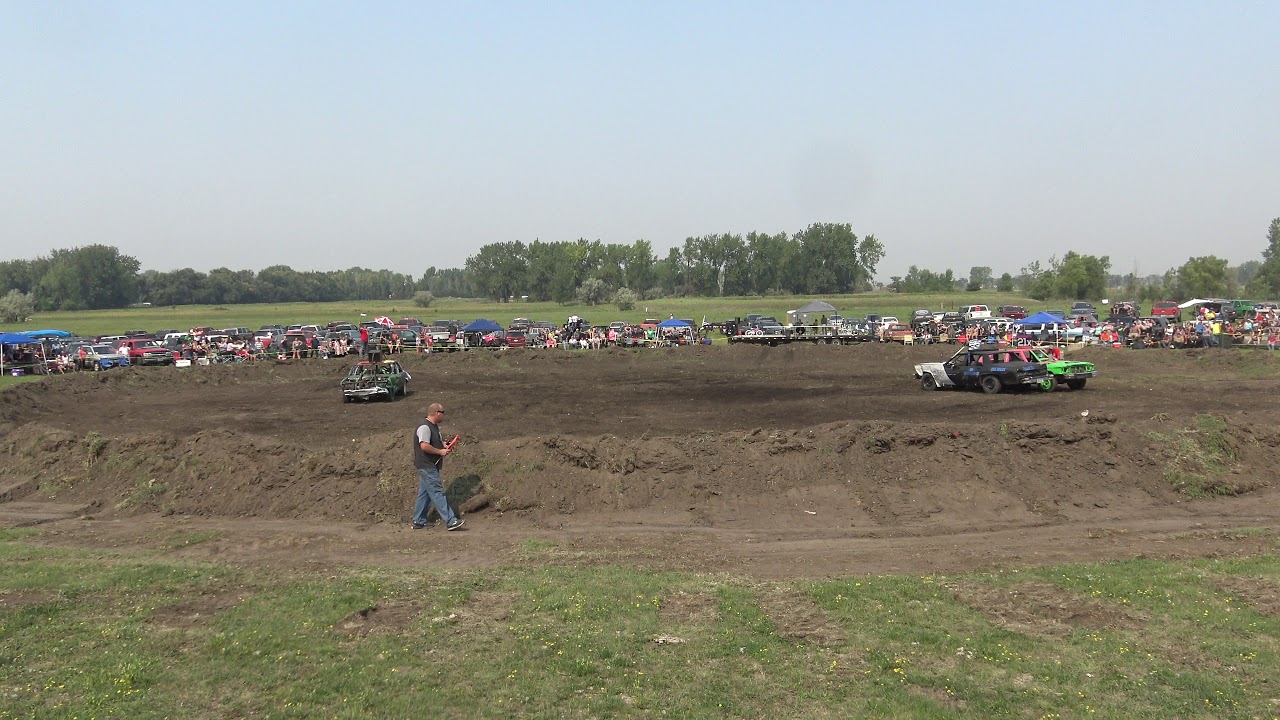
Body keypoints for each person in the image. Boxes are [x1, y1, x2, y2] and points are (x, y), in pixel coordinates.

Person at [412, 404, 464, 531]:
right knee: (437, 492)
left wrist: (443, 445)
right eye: (443, 412)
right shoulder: (425, 427)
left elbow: (433, 442)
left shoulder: (434, 426)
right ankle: (451, 521)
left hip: (429, 465)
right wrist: (440, 452)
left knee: (425, 493)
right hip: (427, 465)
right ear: (437, 413)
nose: (444, 415)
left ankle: (418, 520)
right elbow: (424, 446)